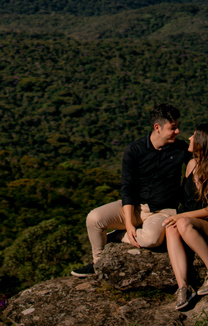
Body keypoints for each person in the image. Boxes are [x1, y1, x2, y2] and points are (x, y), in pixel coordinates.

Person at [72, 103, 190, 277]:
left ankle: (116, 238)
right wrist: (128, 224)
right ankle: (98, 263)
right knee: (94, 218)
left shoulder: (180, 149)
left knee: (152, 239)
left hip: (163, 211)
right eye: (173, 128)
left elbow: (199, 167)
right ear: (157, 127)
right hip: (135, 207)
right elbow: (127, 187)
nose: (178, 131)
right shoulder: (135, 150)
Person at [163, 123, 208, 310]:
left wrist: (182, 217)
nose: (190, 138)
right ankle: (183, 287)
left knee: (182, 223)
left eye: (194, 136)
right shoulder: (192, 165)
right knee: (171, 227)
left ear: (203, 142)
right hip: (189, 221)